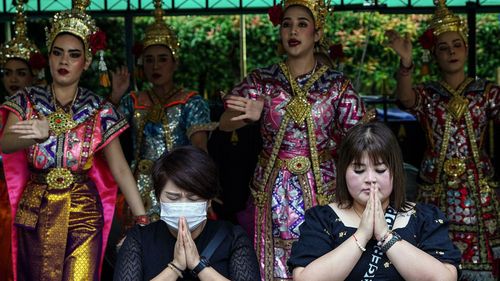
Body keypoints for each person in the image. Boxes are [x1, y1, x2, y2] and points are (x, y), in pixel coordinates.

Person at [0, 1, 147, 280]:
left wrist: (142, 218)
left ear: (87, 62)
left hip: (83, 210)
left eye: (73, 54)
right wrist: (34, 134)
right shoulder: (26, 99)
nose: (64, 61)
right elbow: (5, 143)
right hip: (36, 208)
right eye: (57, 53)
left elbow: (119, 169)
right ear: (49, 56)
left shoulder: (100, 109)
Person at [219, 1, 366, 279]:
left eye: (302, 24)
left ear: (317, 33)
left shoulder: (336, 85)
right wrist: (247, 117)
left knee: (322, 256)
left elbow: (361, 138)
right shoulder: (263, 80)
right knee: (270, 261)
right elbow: (224, 123)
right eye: (287, 24)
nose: (293, 31)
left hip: (322, 187)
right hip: (271, 189)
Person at [385, 0, 500, 279]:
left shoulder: (486, 93)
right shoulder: (428, 94)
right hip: (436, 189)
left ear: (467, 49)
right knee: (435, 258)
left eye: (456, 45)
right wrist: (406, 63)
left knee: (483, 266)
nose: (451, 52)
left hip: (478, 192)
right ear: (434, 55)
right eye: (443, 48)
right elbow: (405, 98)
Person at [288, 121, 461, 280]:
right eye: (358, 170)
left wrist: (385, 235)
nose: (370, 179)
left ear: (395, 172)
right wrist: (362, 235)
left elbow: (444, 278)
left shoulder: (425, 218)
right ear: (343, 172)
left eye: (380, 169)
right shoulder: (322, 219)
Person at [109, 0, 216, 221]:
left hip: (178, 182)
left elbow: (199, 148)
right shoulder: (132, 100)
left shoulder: (190, 101)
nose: (155, 66)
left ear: (175, 63)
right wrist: (115, 96)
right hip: (138, 185)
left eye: (162, 59)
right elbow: (104, 133)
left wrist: (202, 185)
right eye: (149, 60)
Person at [114, 146, 260, 281]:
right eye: (173, 197)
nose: (183, 205)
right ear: (158, 198)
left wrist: (198, 265)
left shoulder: (233, 238)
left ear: (209, 201)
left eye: (193, 198)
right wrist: (175, 267)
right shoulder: (138, 239)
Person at [0, 1, 46, 280]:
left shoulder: (45, 111)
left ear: (33, 75)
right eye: (8, 73)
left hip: (38, 196)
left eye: (21, 72)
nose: (13, 79)